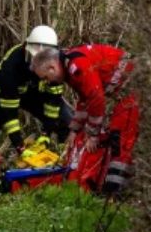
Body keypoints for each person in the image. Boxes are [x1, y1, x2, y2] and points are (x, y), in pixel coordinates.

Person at [32, 44, 138, 196]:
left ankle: (114, 194)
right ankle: (110, 190)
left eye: (46, 78)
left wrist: (93, 134)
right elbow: (84, 100)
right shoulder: (70, 66)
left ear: (52, 67)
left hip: (132, 89)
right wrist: (75, 130)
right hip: (127, 91)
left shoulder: (77, 66)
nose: (47, 82)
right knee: (117, 137)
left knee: (120, 141)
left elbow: (96, 98)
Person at [0, 24, 69, 153]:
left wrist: (46, 135)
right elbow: (10, 113)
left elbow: (53, 102)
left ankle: (65, 155)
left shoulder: (56, 65)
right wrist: (20, 147)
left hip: (32, 93)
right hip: (2, 93)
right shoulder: (11, 68)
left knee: (66, 120)